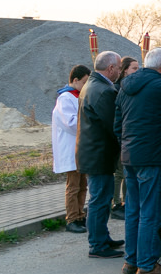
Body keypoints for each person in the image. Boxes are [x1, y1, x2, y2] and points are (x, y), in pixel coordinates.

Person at [114, 47, 161, 274]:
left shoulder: (125, 86)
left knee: (133, 210)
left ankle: (131, 261)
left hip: (129, 155)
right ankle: (148, 264)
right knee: (151, 212)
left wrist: (127, 145)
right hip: (154, 157)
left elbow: (117, 123)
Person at [76, 51, 124, 258]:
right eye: (120, 68)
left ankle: (102, 237)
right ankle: (97, 244)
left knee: (101, 198)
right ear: (111, 68)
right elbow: (114, 124)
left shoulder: (93, 85)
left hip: (93, 152)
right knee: (99, 199)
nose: (120, 72)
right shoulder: (103, 90)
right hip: (98, 153)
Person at [53, 64, 91, 234]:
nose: (86, 86)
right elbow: (70, 122)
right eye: (84, 82)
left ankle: (80, 215)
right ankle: (71, 218)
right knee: (73, 186)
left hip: (80, 147)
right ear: (75, 80)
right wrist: (89, 121)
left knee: (83, 185)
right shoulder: (65, 98)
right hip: (71, 148)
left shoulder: (77, 96)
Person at [110, 56, 140, 220]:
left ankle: (126, 202)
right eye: (134, 68)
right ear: (125, 70)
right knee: (120, 173)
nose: (137, 71)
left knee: (126, 173)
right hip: (121, 137)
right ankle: (116, 204)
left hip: (128, 138)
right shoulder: (118, 88)